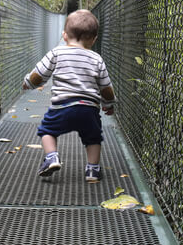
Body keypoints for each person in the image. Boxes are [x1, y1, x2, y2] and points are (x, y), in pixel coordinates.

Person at [23, 9, 115, 182]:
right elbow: (106, 87)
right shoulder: (97, 59)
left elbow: (40, 74)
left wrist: (28, 82)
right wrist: (109, 104)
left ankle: (52, 157)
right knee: (94, 138)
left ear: (64, 36)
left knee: (47, 130)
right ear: (94, 40)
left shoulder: (56, 53)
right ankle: (92, 170)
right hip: (89, 109)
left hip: (62, 107)